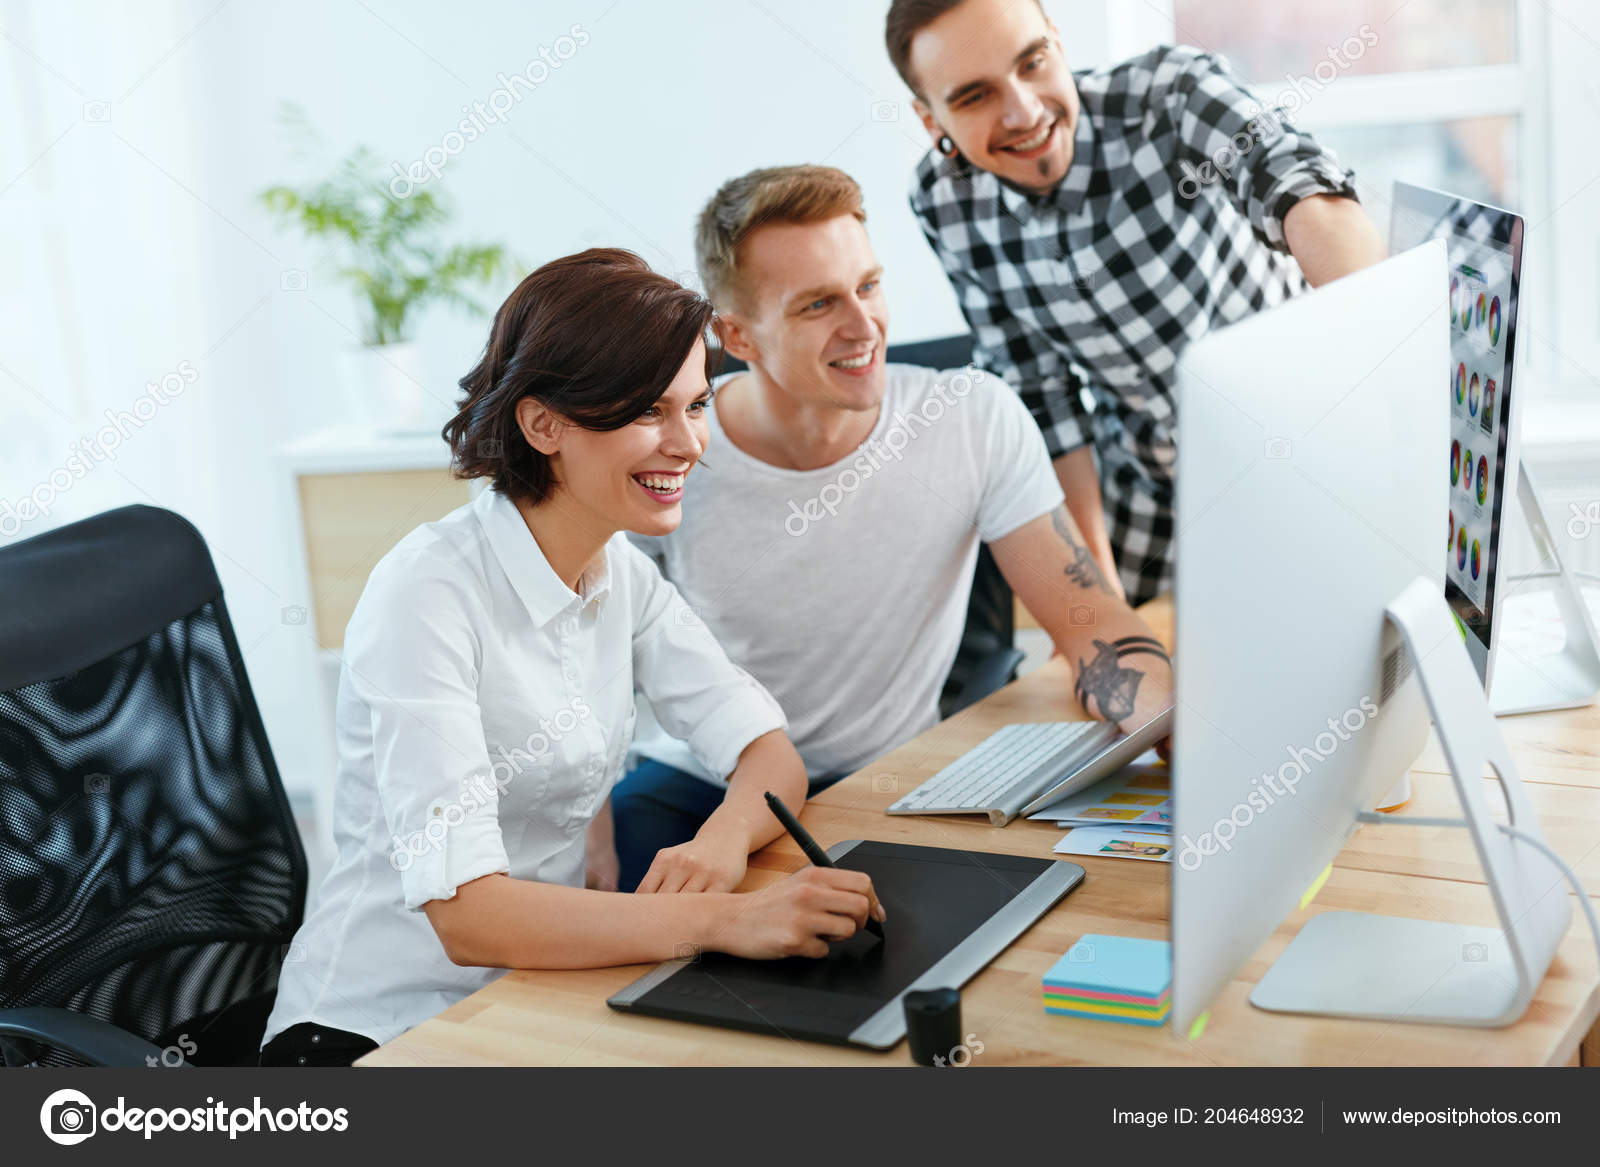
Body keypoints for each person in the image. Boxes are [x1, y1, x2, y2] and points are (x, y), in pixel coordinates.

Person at [260, 249, 883, 1067]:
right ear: (543, 422)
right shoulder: (428, 595)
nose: (688, 442)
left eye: (695, 405)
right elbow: (468, 916)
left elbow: (767, 752)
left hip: (535, 990)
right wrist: (727, 918)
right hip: (375, 1032)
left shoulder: (617, 570)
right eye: (649, 412)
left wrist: (722, 844)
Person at [611, 165, 1173, 891]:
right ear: (735, 335)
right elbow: (591, 659)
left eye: (869, 286)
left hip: (886, 782)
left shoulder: (971, 418)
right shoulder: (673, 452)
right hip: (697, 785)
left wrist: (1166, 723)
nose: (862, 324)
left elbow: (1091, 623)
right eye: (818, 304)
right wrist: (586, 811)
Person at [888, 0, 1388, 604]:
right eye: (974, 97)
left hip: (1306, 449)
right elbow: (1041, 398)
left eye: (1032, 62)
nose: (1023, 111)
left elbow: (1295, 182)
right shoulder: (944, 202)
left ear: (1057, 41)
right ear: (929, 118)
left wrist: (1382, 380)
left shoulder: (1169, 93)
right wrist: (1097, 605)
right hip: (1148, 501)